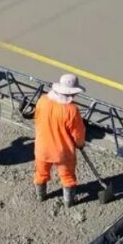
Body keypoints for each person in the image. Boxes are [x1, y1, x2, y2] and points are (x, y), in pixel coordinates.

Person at [33, 73, 86, 207]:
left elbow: (37, 119)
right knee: (67, 177)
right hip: (63, 152)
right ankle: (69, 202)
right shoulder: (72, 110)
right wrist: (80, 144)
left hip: (42, 148)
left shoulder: (43, 100)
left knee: (41, 174)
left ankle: (41, 196)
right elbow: (78, 134)